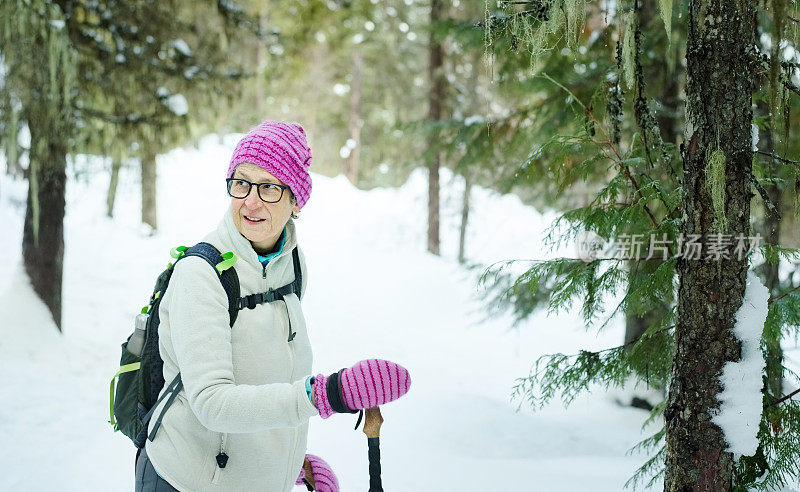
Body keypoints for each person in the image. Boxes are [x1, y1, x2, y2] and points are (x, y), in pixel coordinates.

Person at [134, 121, 410, 492]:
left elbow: (268, 375)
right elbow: (213, 403)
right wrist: (329, 393)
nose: (251, 200)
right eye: (242, 182)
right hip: (187, 481)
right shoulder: (201, 275)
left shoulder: (291, 267)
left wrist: (289, 463)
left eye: (269, 187)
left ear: (295, 201)